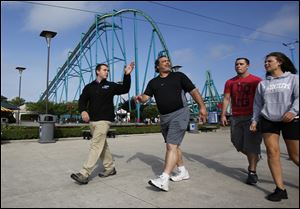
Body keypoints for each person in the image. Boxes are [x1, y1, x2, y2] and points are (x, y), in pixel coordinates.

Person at [135, 55, 207, 191]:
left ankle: (164, 179)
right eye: (164, 61)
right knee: (175, 146)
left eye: (168, 61)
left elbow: (193, 91)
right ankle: (182, 171)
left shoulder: (179, 76)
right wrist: (140, 98)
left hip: (180, 113)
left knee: (171, 145)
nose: (167, 62)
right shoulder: (153, 82)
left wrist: (202, 107)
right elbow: (146, 98)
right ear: (157, 67)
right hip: (164, 117)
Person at [71, 62, 134, 184]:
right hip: (92, 121)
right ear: (97, 71)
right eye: (104, 70)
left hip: (104, 120)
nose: (107, 72)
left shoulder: (110, 86)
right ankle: (110, 168)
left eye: (107, 70)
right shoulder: (89, 87)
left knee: (95, 145)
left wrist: (127, 75)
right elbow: (82, 100)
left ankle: (84, 173)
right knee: (102, 146)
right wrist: (83, 111)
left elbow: (125, 89)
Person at [250, 52, 299, 202]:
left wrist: (293, 111)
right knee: (272, 152)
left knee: (295, 156)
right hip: (268, 120)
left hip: (290, 119)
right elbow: (258, 104)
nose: (266, 64)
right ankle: (280, 189)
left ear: (280, 62)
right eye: (265, 62)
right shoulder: (263, 84)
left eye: (269, 61)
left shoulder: (293, 79)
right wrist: (254, 120)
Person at [221, 57, 262, 185]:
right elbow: (227, 98)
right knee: (237, 142)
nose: (238, 66)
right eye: (236, 64)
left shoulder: (257, 81)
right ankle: (255, 156)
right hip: (235, 116)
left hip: (252, 116)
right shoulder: (230, 82)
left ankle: (252, 172)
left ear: (247, 66)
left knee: (251, 144)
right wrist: (223, 114)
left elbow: (262, 99)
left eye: (241, 64)